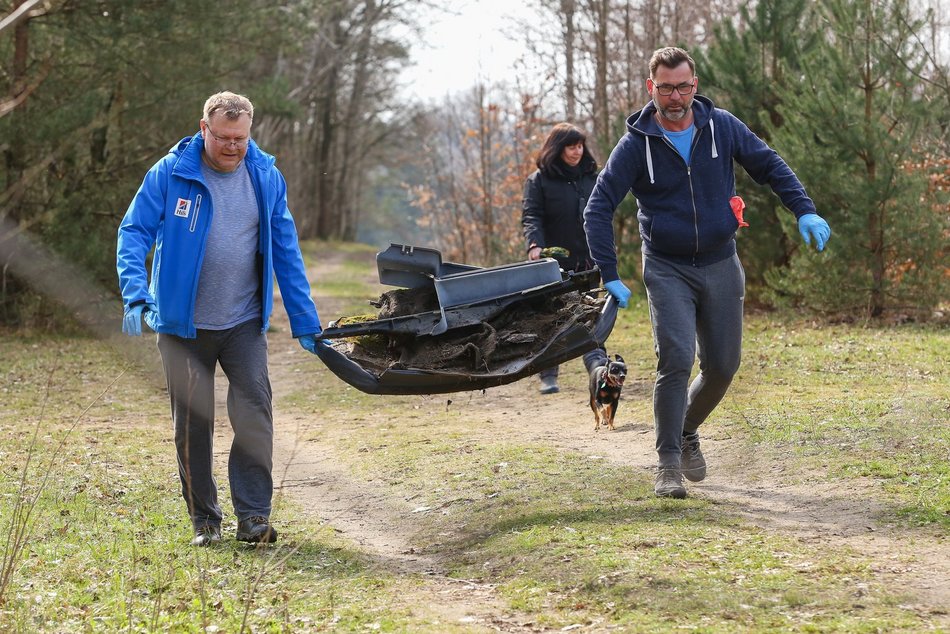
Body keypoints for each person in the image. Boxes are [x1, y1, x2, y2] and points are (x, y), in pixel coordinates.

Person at [583, 47, 831, 498]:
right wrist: (610, 273)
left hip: (720, 260)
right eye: (665, 87)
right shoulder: (637, 145)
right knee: (676, 359)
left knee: (722, 365)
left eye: (683, 86)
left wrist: (803, 210)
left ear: (694, 85)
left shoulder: (722, 127)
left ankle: (685, 430)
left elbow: (769, 165)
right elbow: (598, 207)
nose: (675, 96)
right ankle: (667, 464)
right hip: (666, 266)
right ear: (650, 87)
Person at [117, 91, 325, 546]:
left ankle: (253, 516)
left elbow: (286, 251)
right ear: (204, 128)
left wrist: (305, 320)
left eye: (241, 138)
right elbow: (134, 232)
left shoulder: (265, 177)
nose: (233, 146)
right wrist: (135, 294)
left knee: (255, 413)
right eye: (225, 137)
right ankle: (205, 521)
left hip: (242, 323)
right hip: (181, 326)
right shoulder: (171, 173)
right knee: (193, 425)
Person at [522, 122, 600, 394]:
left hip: (589, 260)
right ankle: (548, 375)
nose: (577, 151)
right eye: (571, 146)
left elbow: (603, 213)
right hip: (553, 264)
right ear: (558, 148)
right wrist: (535, 245)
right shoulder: (539, 180)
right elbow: (532, 216)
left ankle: (598, 368)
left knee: (590, 317)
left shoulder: (592, 177)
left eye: (580, 145)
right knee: (553, 319)